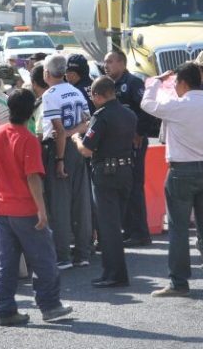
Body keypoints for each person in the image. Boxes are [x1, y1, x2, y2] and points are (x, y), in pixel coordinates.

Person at [0, 88, 74, 326]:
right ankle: (50, 306)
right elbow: (33, 177)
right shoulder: (27, 139)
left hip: (0, 207)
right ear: (31, 112)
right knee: (44, 259)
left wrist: (2, 186)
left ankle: (3, 310)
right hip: (24, 209)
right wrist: (41, 210)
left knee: (6, 263)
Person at [142, 63, 203, 296]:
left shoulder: (177, 106)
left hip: (181, 172)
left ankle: (179, 282)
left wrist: (156, 82)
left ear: (181, 83)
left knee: (179, 229)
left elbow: (146, 103)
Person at [75, 76, 138, 287]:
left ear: (97, 96)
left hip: (106, 174)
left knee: (108, 227)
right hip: (126, 171)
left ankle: (114, 274)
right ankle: (113, 272)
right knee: (115, 224)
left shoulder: (101, 116)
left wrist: (76, 137)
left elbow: (86, 150)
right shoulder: (129, 114)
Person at [41, 54, 92, 270]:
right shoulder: (76, 90)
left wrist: (60, 157)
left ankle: (62, 256)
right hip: (77, 145)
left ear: (47, 73)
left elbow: (57, 130)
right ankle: (82, 253)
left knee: (59, 205)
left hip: (58, 149)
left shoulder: (49, 94)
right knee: (81, 202)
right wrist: (73, 134)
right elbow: (87, 122)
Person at [103, 50, 154, 247]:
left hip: (134, 144)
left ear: (122, 63)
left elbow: (147, 110)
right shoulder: (108, 85)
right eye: (105, 62)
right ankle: (128, 229)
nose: (106, 65)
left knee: (134, 188)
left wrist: (139, 133)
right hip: (117, 146)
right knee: (123, 189)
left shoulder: (132, 83)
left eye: (110, 62)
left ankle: (140, 233)